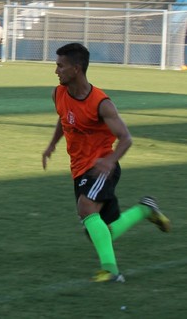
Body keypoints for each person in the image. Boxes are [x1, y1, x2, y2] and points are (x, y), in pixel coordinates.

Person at [42, 43, 170, 283]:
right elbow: (64, 118)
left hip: (101, 166)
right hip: (79, 169)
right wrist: (52, 145)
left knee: (86, 208)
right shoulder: (58, 93)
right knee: (100, 232)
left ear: (76, 69)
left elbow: (126, 138)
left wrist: (110, 160)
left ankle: (111, 271)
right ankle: (145, 209)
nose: (56, 71)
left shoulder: (101, 103)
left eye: (60, 66)